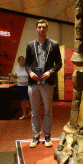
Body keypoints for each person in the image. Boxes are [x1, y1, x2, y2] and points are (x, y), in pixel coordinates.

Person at [25, 19, 62, 148]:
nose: (41, 29)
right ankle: (36, 136)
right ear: (36, 29)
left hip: (47, 82)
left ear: (47, 29)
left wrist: (51, 72)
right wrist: (30, 73)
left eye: (43, 27)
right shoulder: (30, 45)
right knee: (34, 112)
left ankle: (47, 136)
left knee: (48, 111)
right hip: (33, 82)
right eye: (39, 27)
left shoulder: (54, 44)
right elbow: (27, 64)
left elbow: (58, 63)